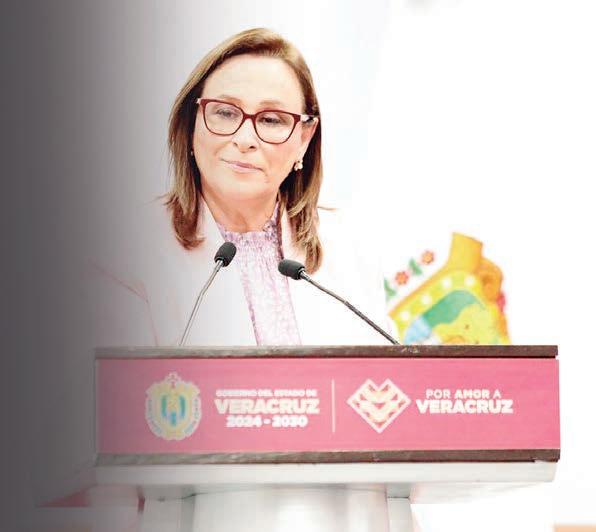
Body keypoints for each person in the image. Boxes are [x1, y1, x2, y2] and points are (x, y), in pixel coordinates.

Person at [93, 27, 390, 348]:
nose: (245, 139)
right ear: (191, 123)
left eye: (271, 119)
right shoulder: (124, 255)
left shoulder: (348, 245)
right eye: (225, 112)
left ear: (304, 138)